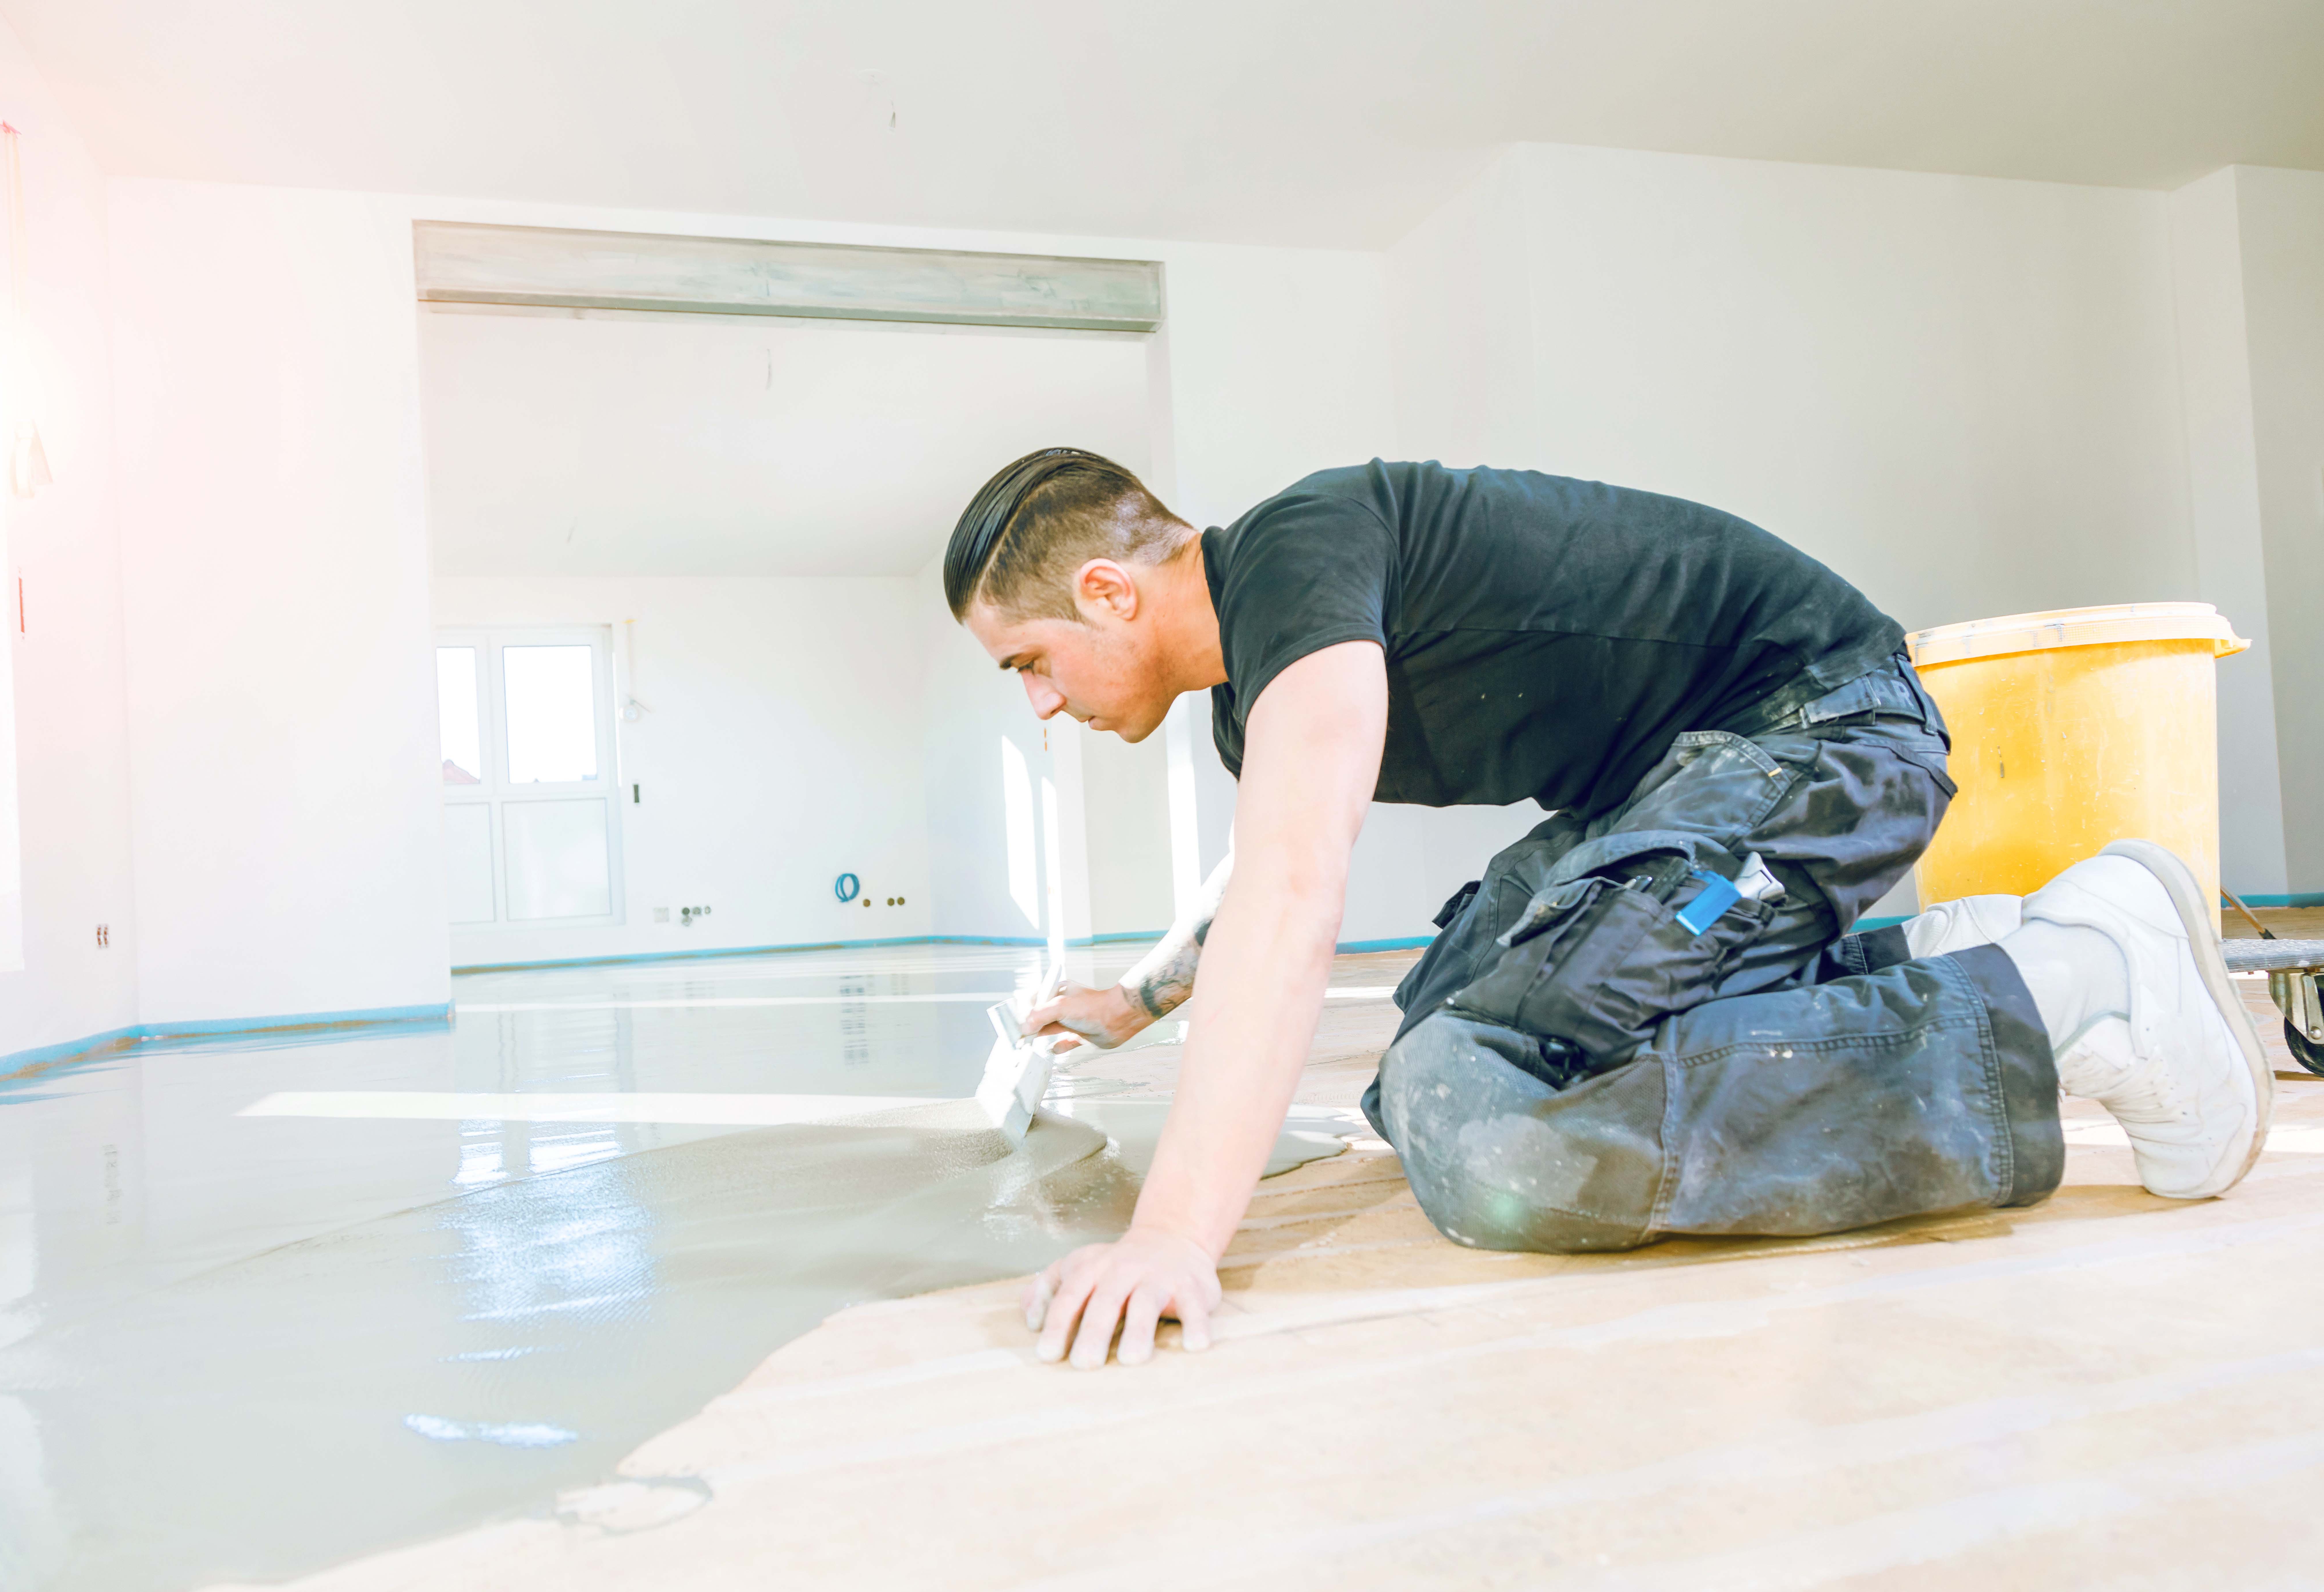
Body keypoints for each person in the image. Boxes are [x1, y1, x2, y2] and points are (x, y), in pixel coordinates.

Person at [945, 450, 2273, 1371]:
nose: (1042, 705)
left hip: (1818, 738)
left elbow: (1301, 885)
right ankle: (1963, 958)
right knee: (1430, 1036)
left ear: (1109, 594)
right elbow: (1267, 863)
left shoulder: (1297, 549)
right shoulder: (1261, 682)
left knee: (1496, 1131)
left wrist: (1177, 1235)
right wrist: (1144, 999)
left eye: (1031, 662)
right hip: (1684, 799)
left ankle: (2083, 988)